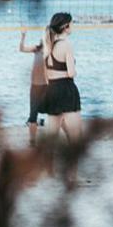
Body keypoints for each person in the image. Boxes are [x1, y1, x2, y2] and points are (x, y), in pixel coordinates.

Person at [42, 12, 83, 150]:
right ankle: (73, 171)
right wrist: (73, 71)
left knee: (51, 137)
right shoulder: (66, 45)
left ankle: (48, 169)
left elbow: (45, 75)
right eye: (72, 23)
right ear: (66, 27)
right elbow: (71, 73)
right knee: (76, 138)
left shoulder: (48, 45)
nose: (73, 25)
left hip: (52, 90)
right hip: (66, 90)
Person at [19, 30, 47, 148]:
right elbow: (22, 49)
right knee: (33, 115)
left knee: (56, 112)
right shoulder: (37, 48)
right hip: (35, 86)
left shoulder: (52, 51)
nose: (43, 38)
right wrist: (23, 36)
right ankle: (32, 141)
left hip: (47, 86)